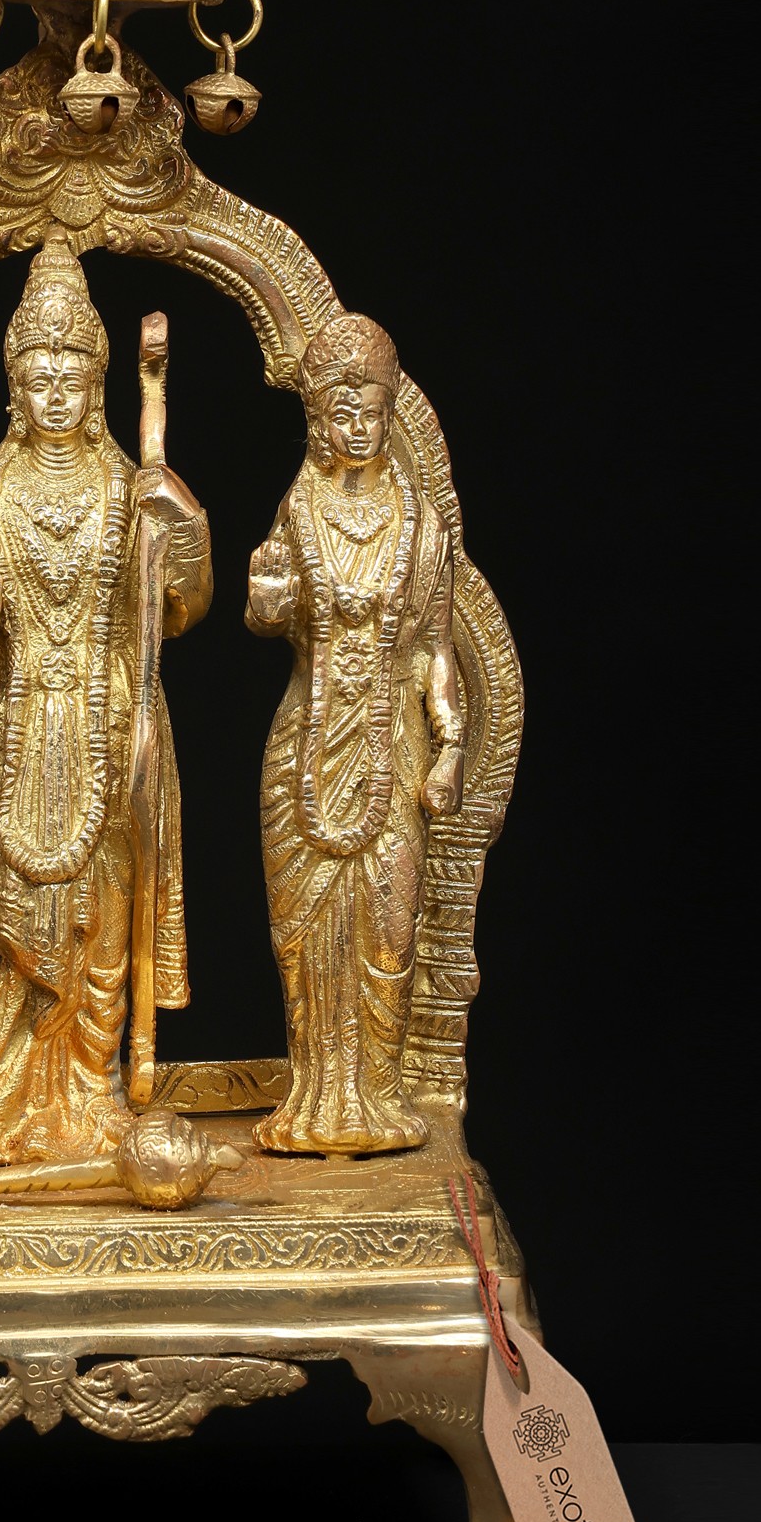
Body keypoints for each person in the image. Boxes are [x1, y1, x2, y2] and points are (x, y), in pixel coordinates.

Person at [0, 229, 211, 1170]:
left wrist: (186, 533)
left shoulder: (129, 490)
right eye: (37, 376)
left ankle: (90, 1095)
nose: (53, 394)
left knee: (98, 924)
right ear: (14, 385)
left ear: (97, 383)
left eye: (71, 376)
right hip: (2, 733)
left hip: (102, 725)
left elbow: (179, 608)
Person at [245, 312, 464, 1154]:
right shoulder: (298, 510)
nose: (359, 429)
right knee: (304, 931)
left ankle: (377, 1092)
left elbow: (434, 649)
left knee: (388, 925)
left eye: (372, 413)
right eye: (343, 414)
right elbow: (275, 616)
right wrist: (268, 604)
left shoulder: (422, 528)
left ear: (390, 413)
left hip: (392, 744)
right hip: (304, 743)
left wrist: (448, 743)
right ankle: (314, 1094)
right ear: (318, 421)